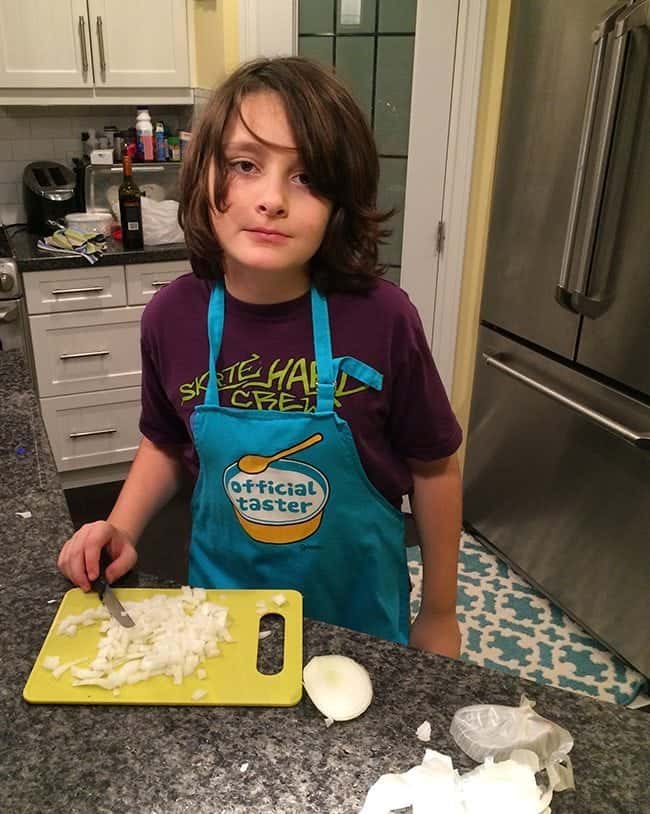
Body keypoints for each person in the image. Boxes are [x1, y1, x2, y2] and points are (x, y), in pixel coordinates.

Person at [58, 57, 463, 658]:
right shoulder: (171, 317)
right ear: (205, 180)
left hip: (360, 621)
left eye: (306, 177)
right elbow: (166, 441)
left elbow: (435, 467)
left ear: (340, 200)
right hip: (222, 620)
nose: (272, 199)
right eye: (246, 165)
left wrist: (439, 611)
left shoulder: (382, 317)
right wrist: (119, 528)